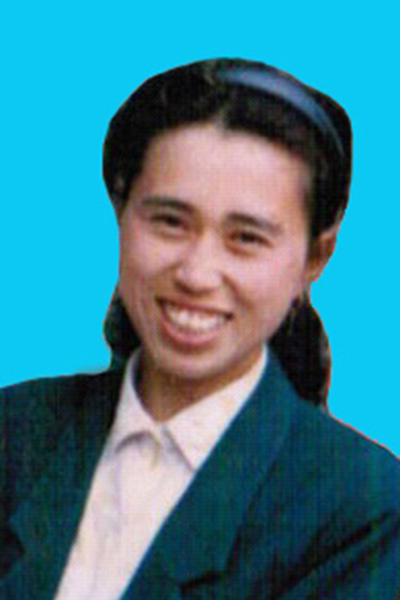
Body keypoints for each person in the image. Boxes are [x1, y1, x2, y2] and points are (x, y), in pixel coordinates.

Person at [0, 58, 399, 599]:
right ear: (121, 212)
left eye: (246, 238)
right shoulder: (15, 430)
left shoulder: (362, 506)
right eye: (169, 221)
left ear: (314, 258)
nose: (195, 273)